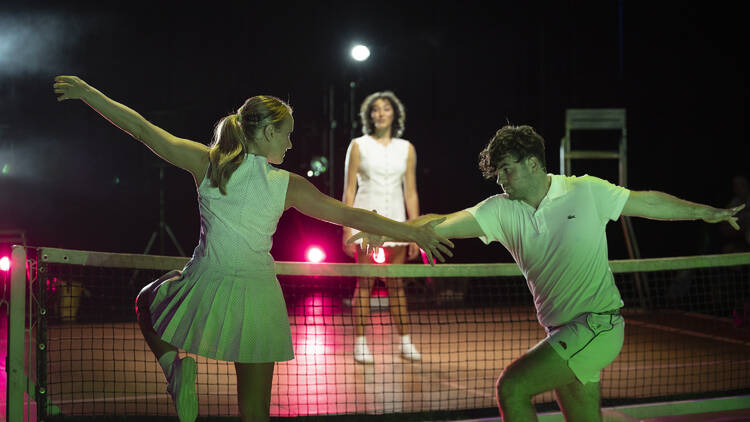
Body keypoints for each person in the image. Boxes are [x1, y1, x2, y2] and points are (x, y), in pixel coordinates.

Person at [53, 76, 453, 422]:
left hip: (206, 281)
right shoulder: (288, 186)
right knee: (256, 414)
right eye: (287, 133)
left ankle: (174, 368)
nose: (291, 142)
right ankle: (177, 372)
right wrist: (412, 232)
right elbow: (351, 214)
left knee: (145, 302)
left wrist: (88, 92)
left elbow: (142, 129)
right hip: (258, 296)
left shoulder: (207, 162)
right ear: (266, 134)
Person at [351, 125, 744, 422]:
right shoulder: (500, 210)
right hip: (562, 333)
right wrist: (384, 230)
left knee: (513, 386)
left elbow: (647, 203)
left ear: (534, 163)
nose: (501, 179)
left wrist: (704, 212)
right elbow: (439, 222)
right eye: (498, 173)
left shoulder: (585, 190)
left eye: (507, 169)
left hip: (598, 325)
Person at [342, 91, 422, 363]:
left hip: (398, 224)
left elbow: (410, 191)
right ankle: (361, 343)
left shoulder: (406, 148)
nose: (380, 113)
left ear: (394, 114)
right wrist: (346, 229)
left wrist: (415, 231)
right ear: (369, 116)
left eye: (386, 108)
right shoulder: (358, 145)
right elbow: (349, 187)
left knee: (396, 284)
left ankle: (405, 341)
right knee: (364, 283)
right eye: (375, 109)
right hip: (366, 223)